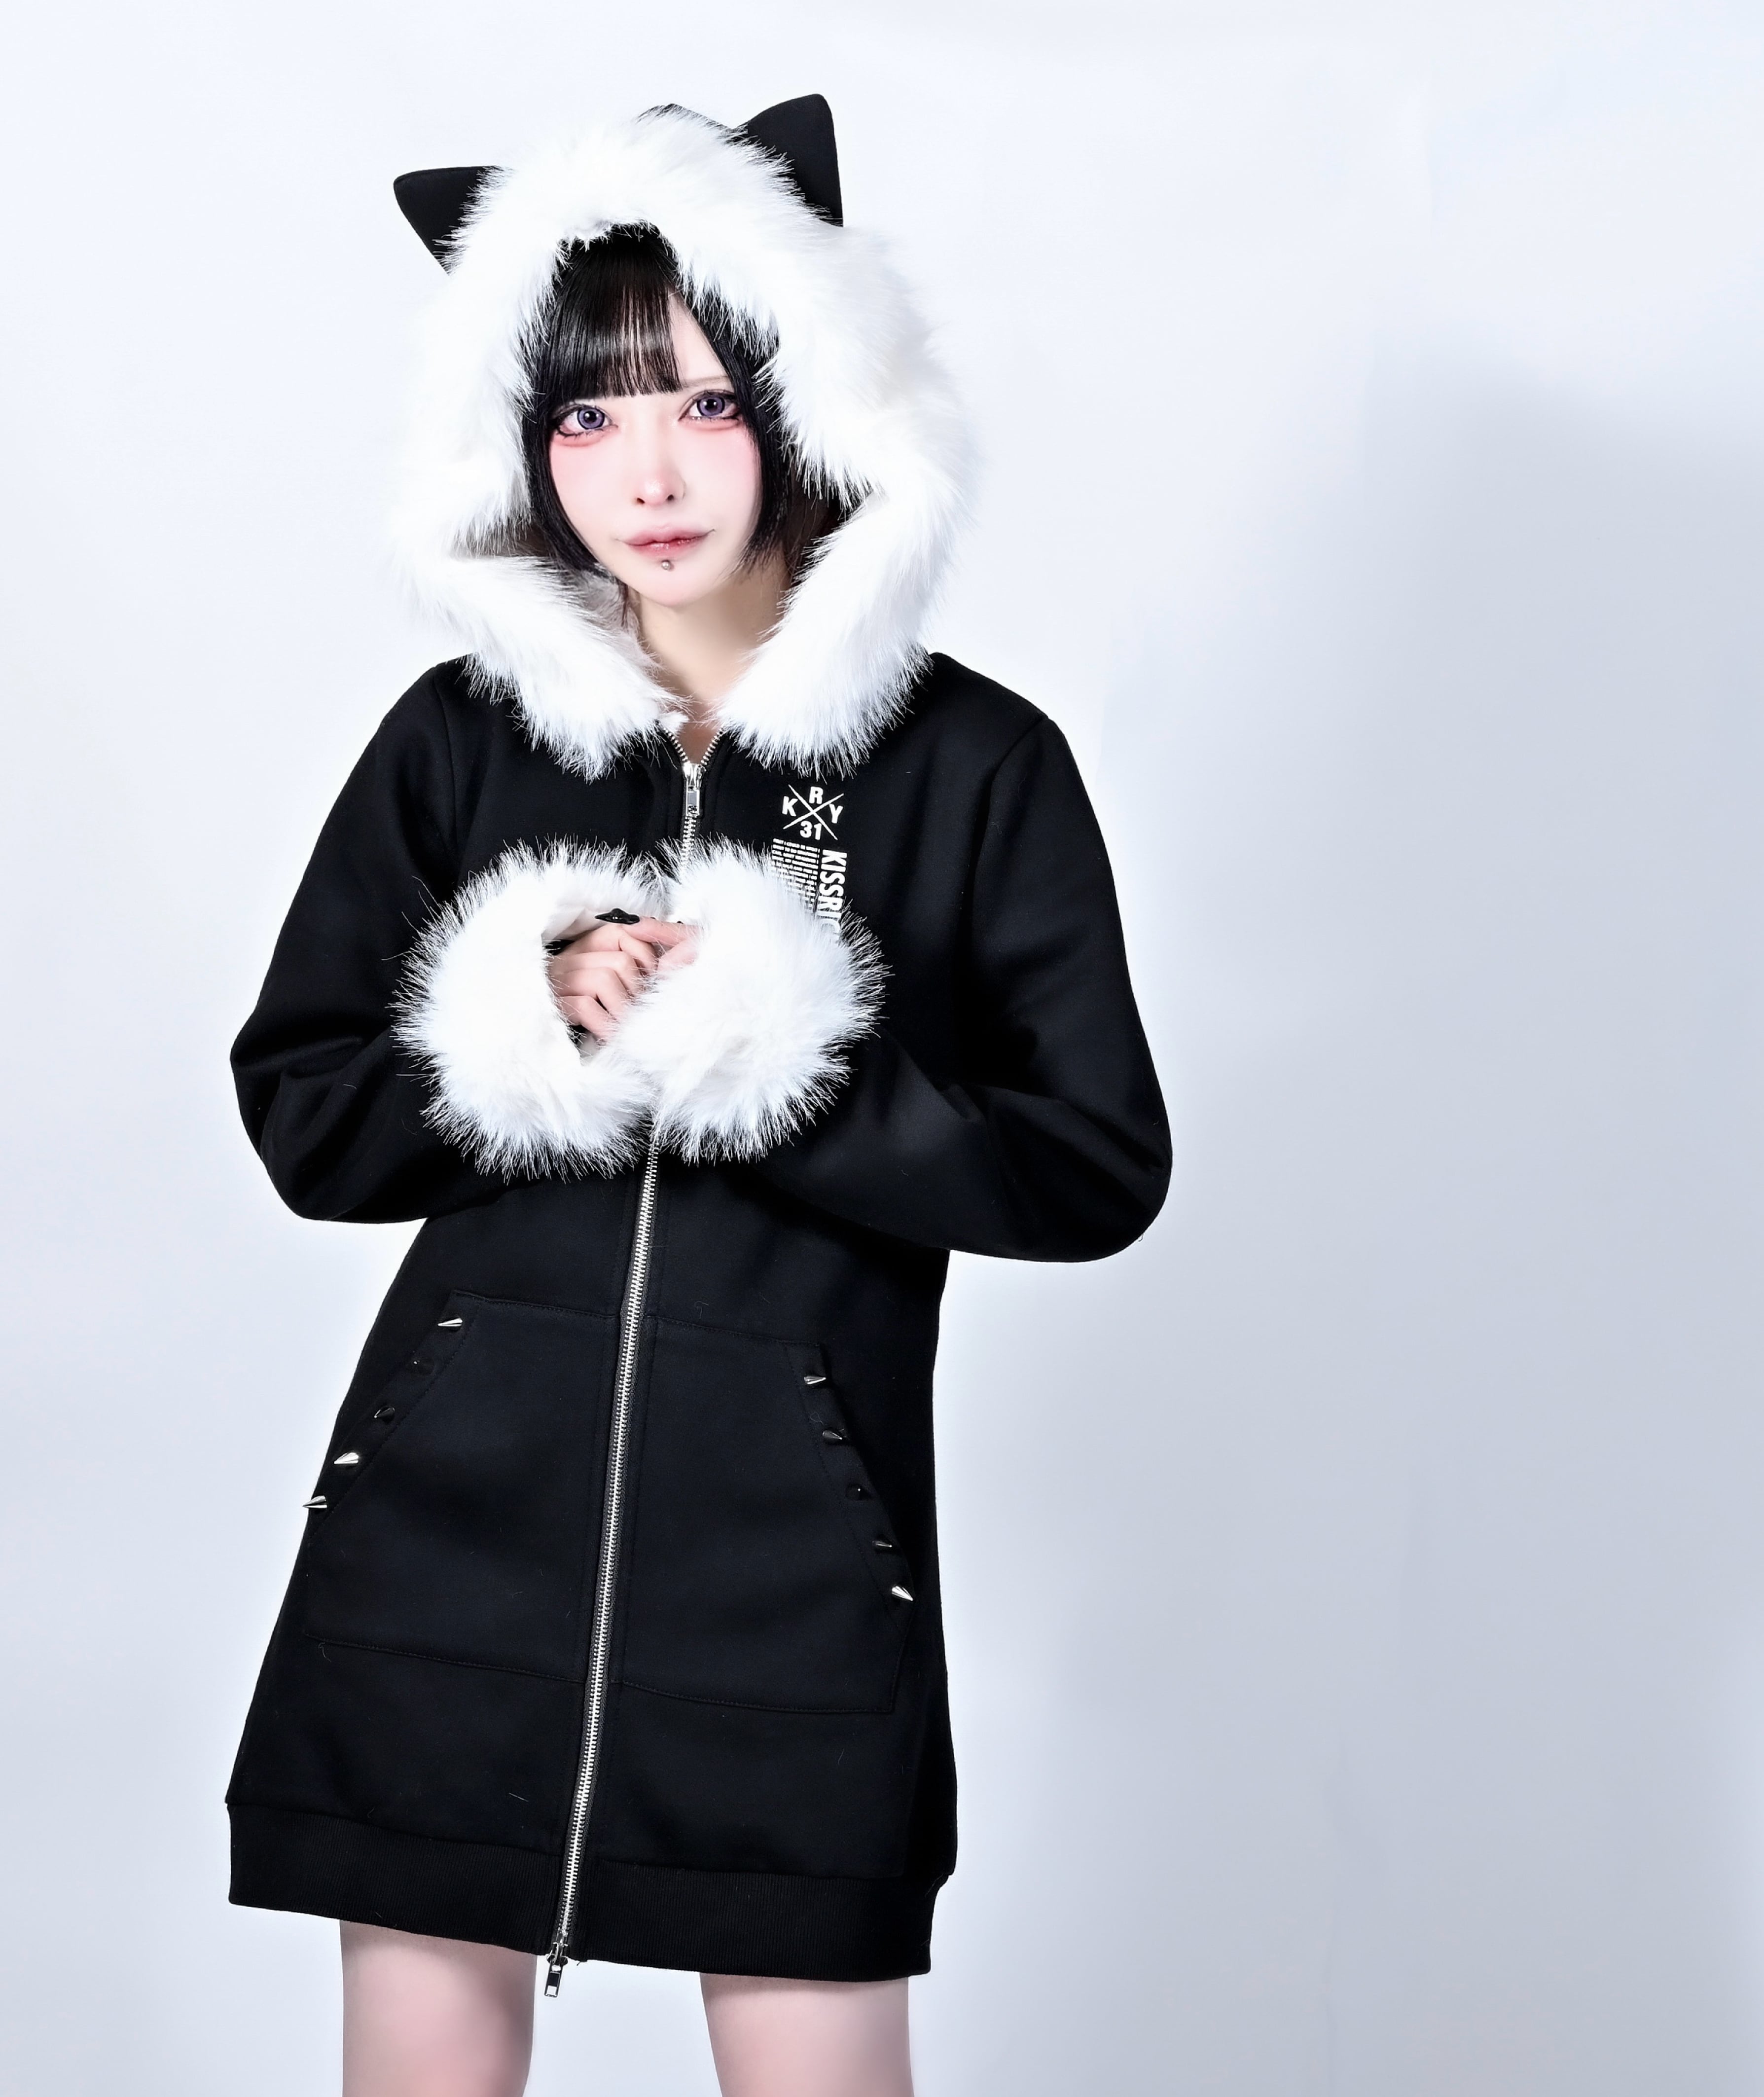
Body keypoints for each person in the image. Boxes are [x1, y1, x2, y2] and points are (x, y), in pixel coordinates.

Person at [225, 98, 1170, 2097]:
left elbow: (1090, 1163)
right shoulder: (458, 744)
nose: (644, 475)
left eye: (706, 405)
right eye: (584, 417)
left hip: (796, 1577)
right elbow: (310, 1113)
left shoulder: (970, 767)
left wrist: (787, 1069)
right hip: (441, 1554)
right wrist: (525, 1022)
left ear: (812, 403)